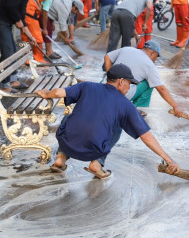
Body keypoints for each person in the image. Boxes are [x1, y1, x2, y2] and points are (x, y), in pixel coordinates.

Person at [35, 64, 180, 178]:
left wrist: (46, 94)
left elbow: (60, 92)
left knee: (68, 117)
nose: (130, 87)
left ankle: (61, 158)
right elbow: (146, 136)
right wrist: (168, 159)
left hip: (68, 142)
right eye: (129, 83)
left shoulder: (88, 86)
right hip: (92, 149)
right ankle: (97, 164)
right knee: (116, 127)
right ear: (121, 81)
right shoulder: (126, 105)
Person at [0, 0, 42, 92]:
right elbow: (10, 6)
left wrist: (30, 37)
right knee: (7, 52)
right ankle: (4, 85)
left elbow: (22, 18)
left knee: (12, 51)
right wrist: (17, 20)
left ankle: (12, 80)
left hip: (5, 24)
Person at [104, 40, 183, 118]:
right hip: (121, 93)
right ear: (153, 53)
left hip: (106, 87)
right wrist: (175, 106)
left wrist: (110, 76)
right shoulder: (149, 65)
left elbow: (107, 57)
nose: (155, 60)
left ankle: (126, 106)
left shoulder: (127, 49)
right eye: (157, 56)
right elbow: (161, 88)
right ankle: (132, 109)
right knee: (150, 83)